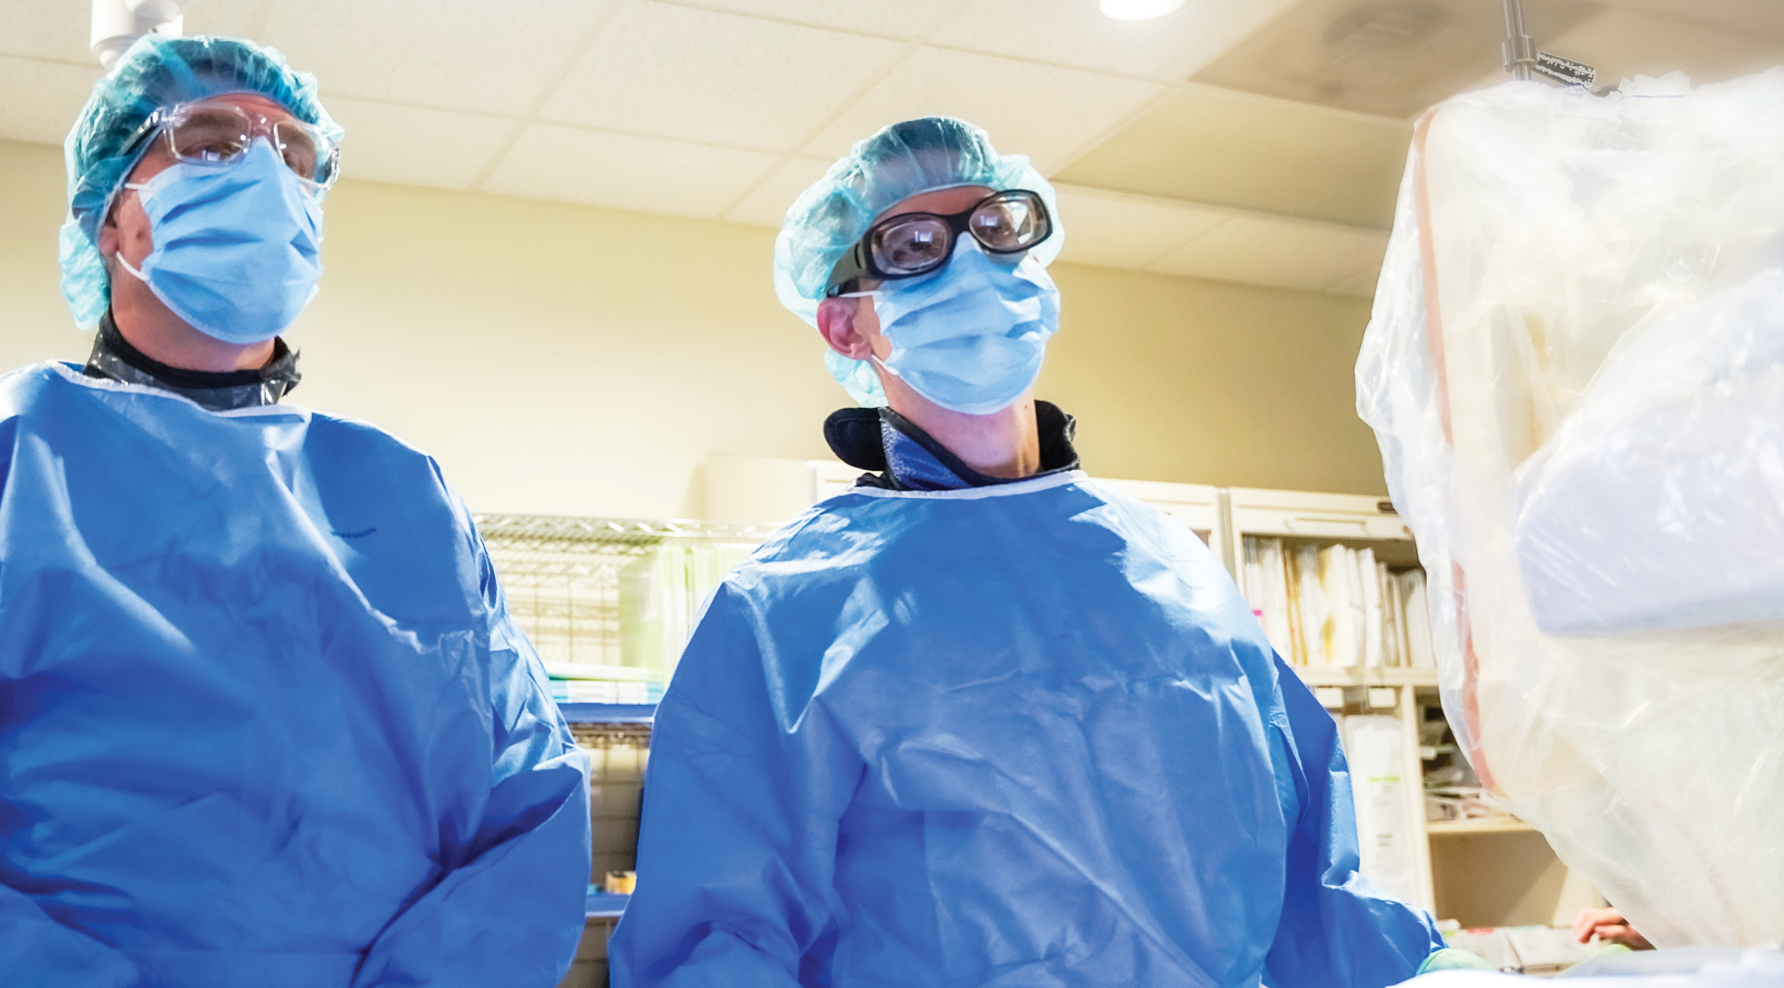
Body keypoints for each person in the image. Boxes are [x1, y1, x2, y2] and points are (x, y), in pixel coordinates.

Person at [609, 117, 1459, 987]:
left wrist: (1437, 972)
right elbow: (716, 942)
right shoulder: (783, 613)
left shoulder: (1174, 568)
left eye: (997, 226)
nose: (973, 265)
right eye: (914, 245)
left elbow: (1316, 888)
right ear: (845, 327)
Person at [0, 35, 587, 987]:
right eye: (209, 142)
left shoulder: (405, 495)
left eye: (296, 154)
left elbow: (532, 804)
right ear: (110, 221)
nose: (266, 175)